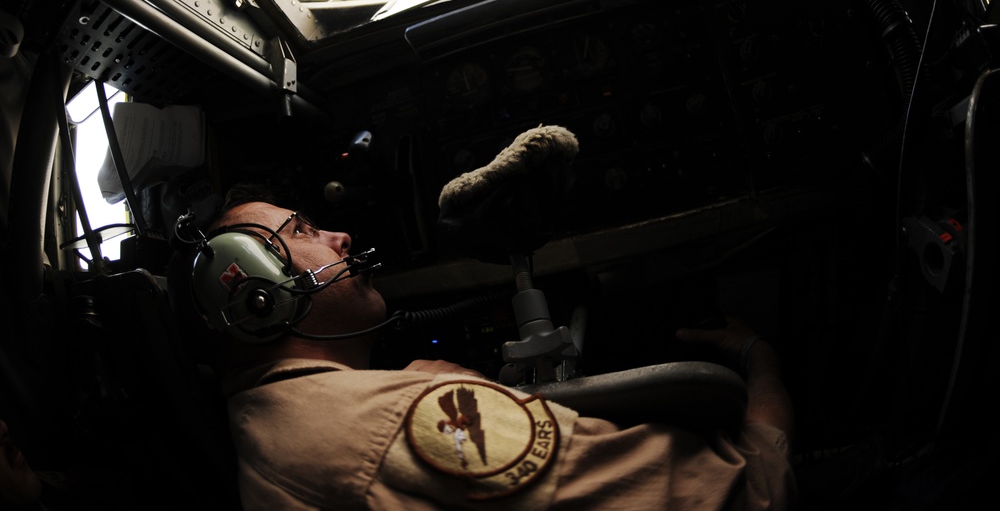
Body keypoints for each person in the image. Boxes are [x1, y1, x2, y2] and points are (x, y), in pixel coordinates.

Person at [171, 186, 796, 510]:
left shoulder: (269, 428)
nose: (339, 236)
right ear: (257, 292)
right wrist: (758, 359)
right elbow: (748, 495)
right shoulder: (410, 418)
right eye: (303, 231)